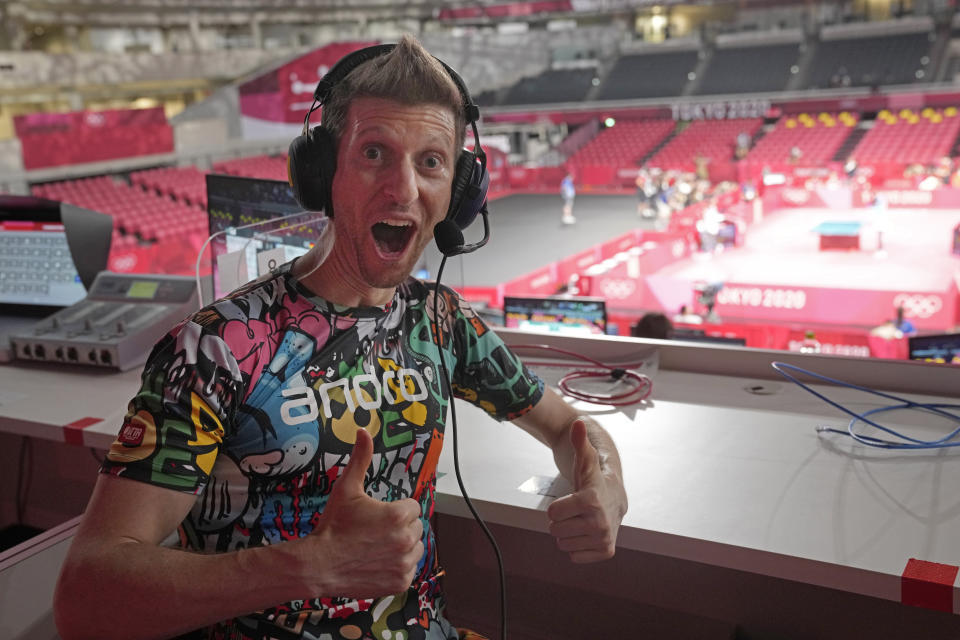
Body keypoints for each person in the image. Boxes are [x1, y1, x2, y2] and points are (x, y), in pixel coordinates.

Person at [53, 37, 627, 640]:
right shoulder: (217, 348)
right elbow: (86, 599)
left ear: (457, 191)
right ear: (324, 173)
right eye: (375, 153)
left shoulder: (442, 321)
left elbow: (570, 429)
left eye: (431, 161)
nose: (403, 189)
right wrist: (309, 567)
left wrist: (607, 483)